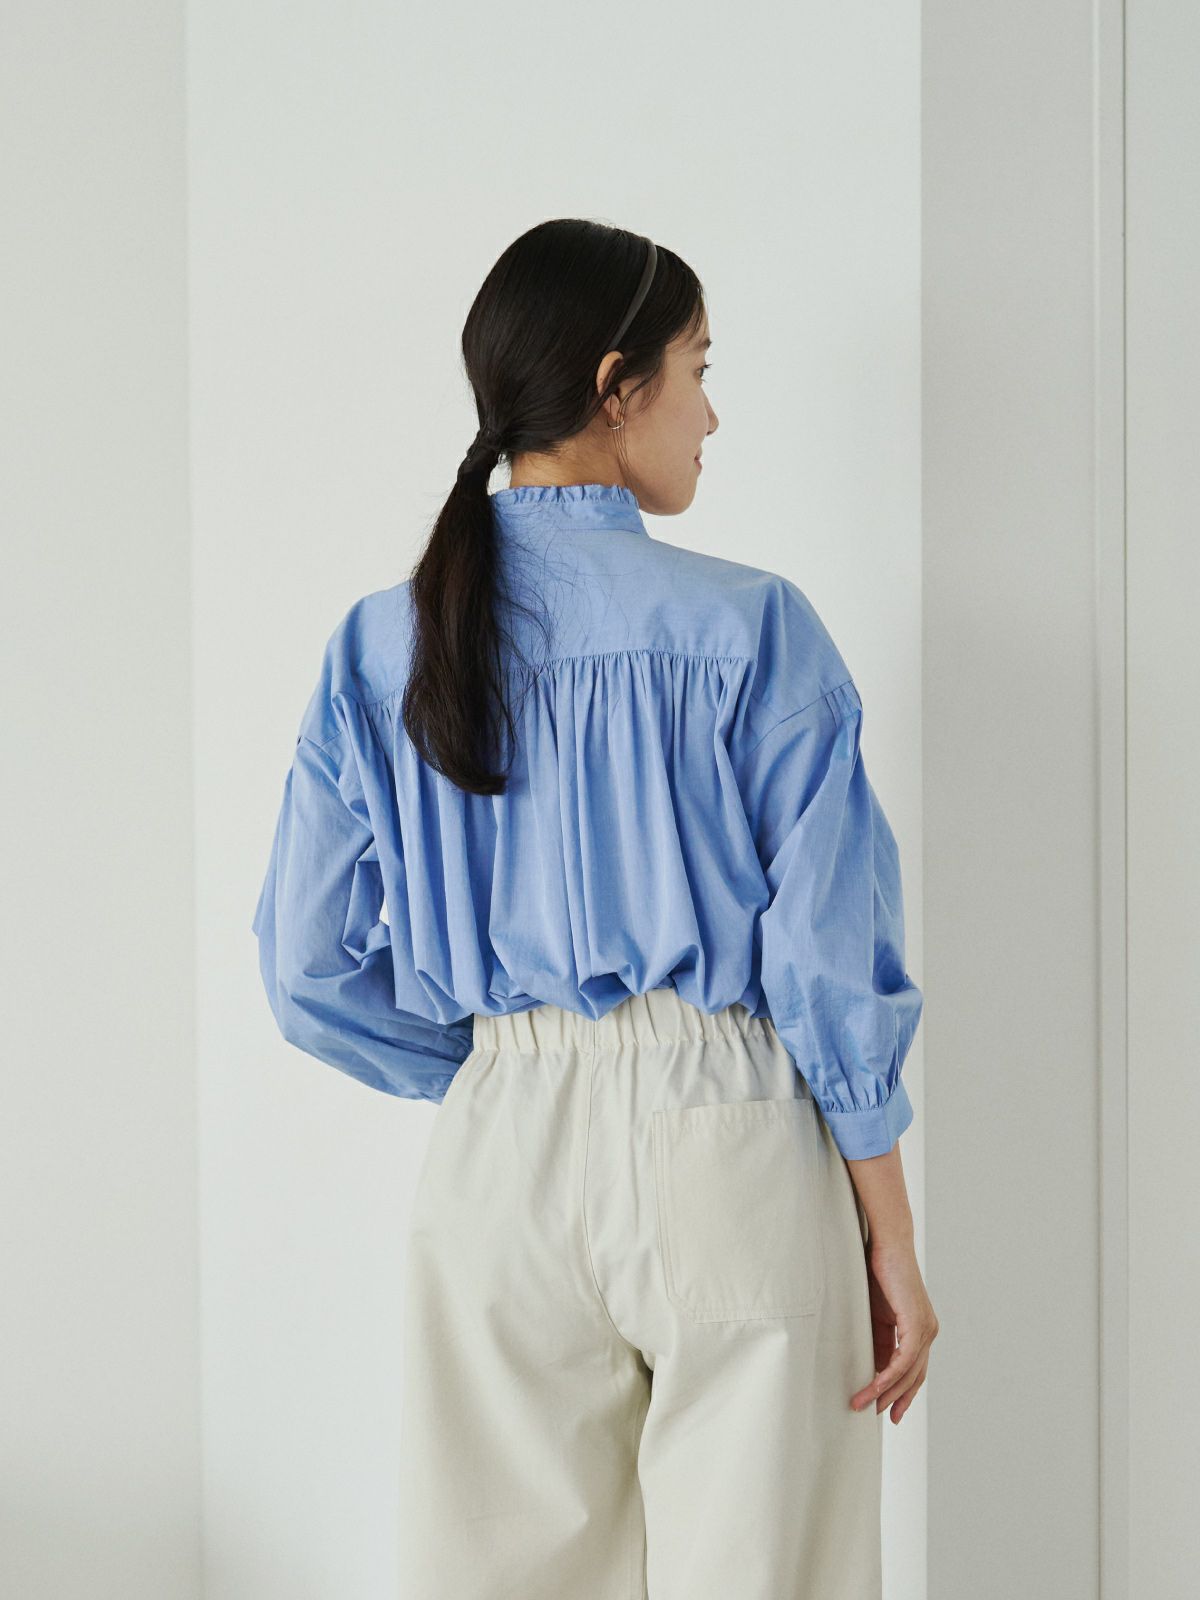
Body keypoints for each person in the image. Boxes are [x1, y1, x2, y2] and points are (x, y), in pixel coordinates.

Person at [251, 218, 939, 1599]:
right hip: (730, 1139)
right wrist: (893, 1236)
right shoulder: (751, 627)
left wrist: (501, 1067)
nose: (712, 413)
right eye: (699, 368)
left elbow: (306, 967)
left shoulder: (379, 644)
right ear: (618, 386)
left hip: (498, 1153)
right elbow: (825, 960)